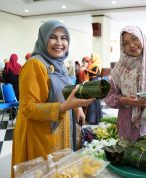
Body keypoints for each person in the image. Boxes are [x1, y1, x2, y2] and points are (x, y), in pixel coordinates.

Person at [11, 20, 95, 177]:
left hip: (60, 131)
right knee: (43, 172)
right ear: (43, 39)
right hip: (40, 135)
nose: (59, 43)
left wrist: (76, 107)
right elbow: (28, 108)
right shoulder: (35, 65)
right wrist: (64, 107)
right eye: (53, 37)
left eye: (64, 38)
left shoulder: (60, 65)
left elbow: (65, 91)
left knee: (60, 171)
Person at [85, 52, 102, 125]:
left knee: (94, 100)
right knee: (91, 100)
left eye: (92, 56)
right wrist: (87, 71)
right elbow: (89, 74)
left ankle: (95, 119)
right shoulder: (92, 65)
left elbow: (96, 73)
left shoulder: (97, 65)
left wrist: (88, 70)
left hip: (95, 82)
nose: (91, 58)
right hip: (91, 82)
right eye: (91, 56)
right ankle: (91, 119)